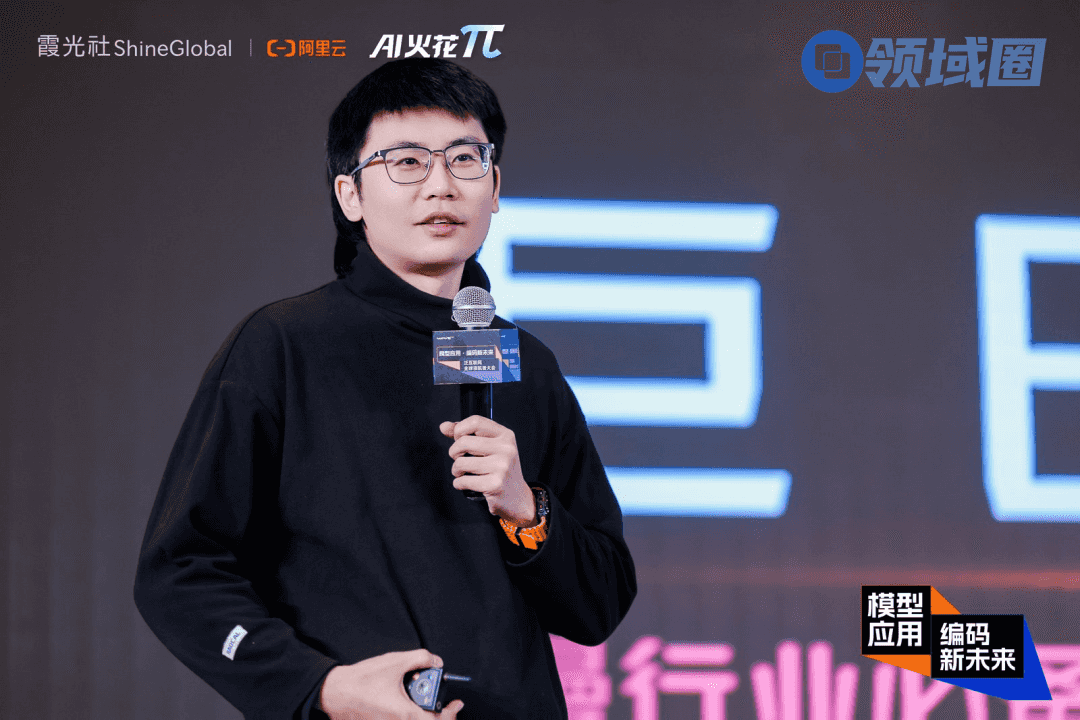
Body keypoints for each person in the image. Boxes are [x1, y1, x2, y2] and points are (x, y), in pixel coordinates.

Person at [134, 58, 637, 720]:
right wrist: (321, 689)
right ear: (350, 195)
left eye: (465, 159)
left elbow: (600, 603)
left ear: (494, 187)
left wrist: (525, 508)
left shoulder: (528, 365)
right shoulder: (284, 345)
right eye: (407, 163)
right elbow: (179, 574)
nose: (441, 186)